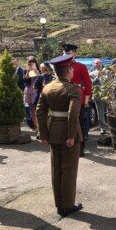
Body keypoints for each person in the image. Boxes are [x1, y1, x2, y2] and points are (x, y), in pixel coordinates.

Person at [36, 53, 83, 217]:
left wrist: (43, 134)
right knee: (69, 170)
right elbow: (72, 114)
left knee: (56, 169)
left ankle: (59, 203)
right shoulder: (74, 89)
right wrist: (71, 136)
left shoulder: (47, 87)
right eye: (71, 68)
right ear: (68, 70)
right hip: (68, 133)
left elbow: (40, 111)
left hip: (53, 131)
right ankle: (67, 204)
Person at [62, 43, 92, 157]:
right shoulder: (61, 67)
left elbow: (88, 84)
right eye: (65, 53)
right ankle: (66, 145)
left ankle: (80, 147)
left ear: (74, 53)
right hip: (63, 96)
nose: (66, 55)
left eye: (69, 53)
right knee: (64, 122)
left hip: (78, 98)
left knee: (79, 123)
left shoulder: (81, 66)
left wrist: (86, 100)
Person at [90, 59, 108, 135]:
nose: (98, 64)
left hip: (108, 95)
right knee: (100, 113)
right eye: (96, 63)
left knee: (111, 112)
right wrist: (97, 77)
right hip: (98, 96)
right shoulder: (91, 73)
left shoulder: (107, 72)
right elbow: (91, 84)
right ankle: (103, 129)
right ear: (94, 65)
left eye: (99, 62)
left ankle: (112, 126)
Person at [24, 57, 40, 132]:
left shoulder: (38, 69)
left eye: (32, 62)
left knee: (37, 109)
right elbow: (25, 79)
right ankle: (36, 127)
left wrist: (35, 69)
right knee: (31, 110)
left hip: (35, 91)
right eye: (29, 62)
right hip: (28, 91)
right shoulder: (27, 70)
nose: (30, 64)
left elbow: (39, 77)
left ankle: (40, 127)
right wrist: (28, 70)